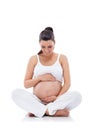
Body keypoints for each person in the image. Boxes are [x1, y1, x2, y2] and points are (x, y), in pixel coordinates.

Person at [12, 27, 82, 118]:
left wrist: (56, 98)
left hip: (57, 100)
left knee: (77, 96)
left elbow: (67, 83)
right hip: (37, 100)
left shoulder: (62, 58)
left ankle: (39, 110)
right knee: (15, 93)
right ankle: (50, 111)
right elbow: (26, 84)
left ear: (54, 43)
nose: (46, 50)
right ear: (39, 44)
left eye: (50, 46)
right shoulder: (34, 59)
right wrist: (40, 78)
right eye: (43, 47)